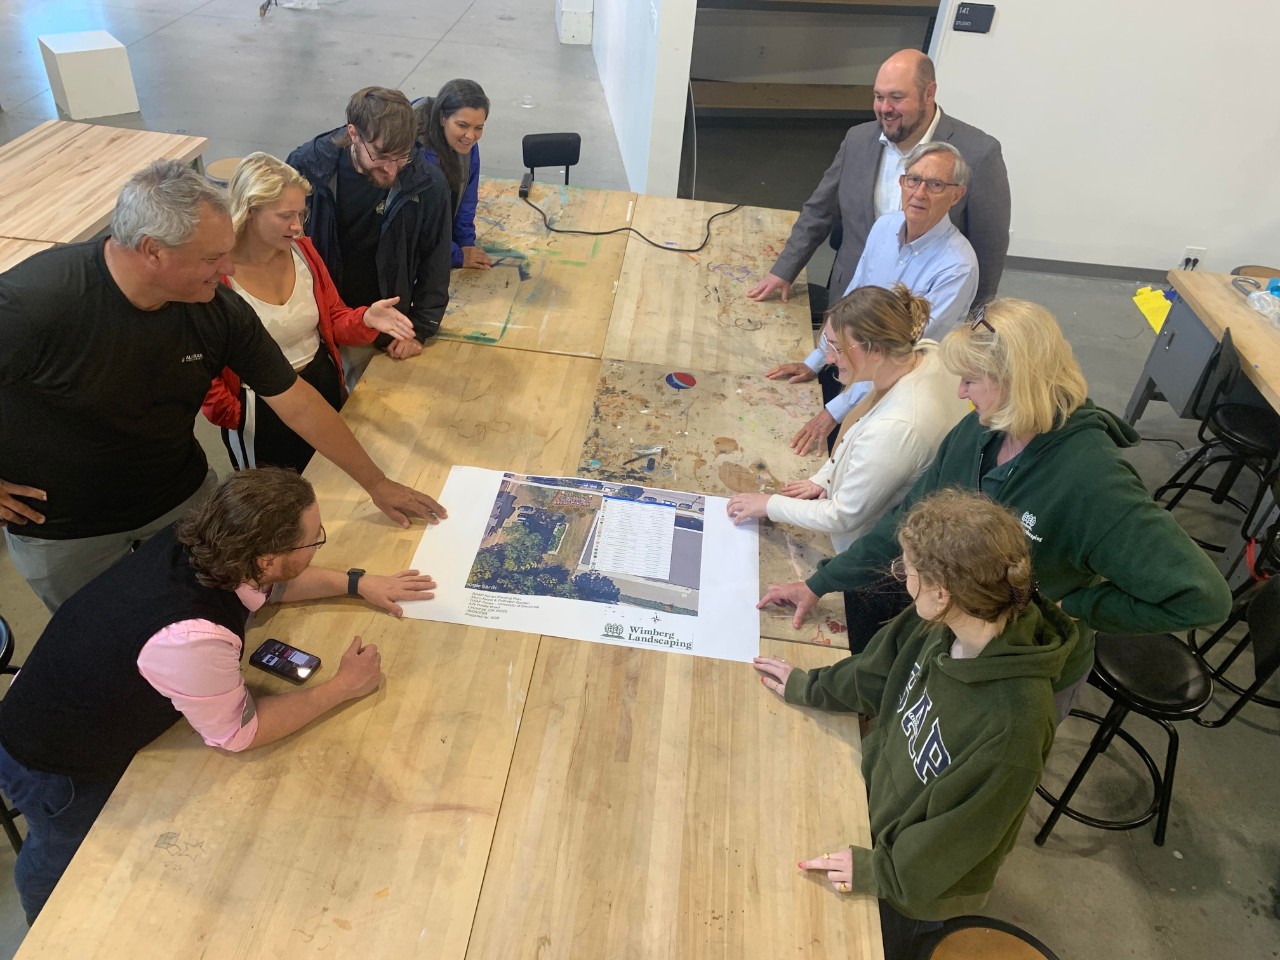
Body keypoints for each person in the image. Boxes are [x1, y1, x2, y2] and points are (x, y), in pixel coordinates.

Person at [0, 160, 445, 614]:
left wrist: (376, 483)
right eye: (212, 258)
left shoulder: (216, 308)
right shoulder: (36, 302)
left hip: (179, 499)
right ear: (153, 251)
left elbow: (297, 402)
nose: (228, 267)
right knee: (101, 637)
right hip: (67, 531)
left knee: (208, 610)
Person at [0, 467, 437, 924]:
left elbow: (271, 587)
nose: (317, 544)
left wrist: (356, 582)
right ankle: (39, 930)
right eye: (314, 540)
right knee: (57, 859)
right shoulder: (192, 635)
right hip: (54, 766)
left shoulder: (200, 539)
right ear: (266, 558)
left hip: (58, 694)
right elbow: (238, 733)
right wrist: (342, 688)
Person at [758, 298, 1234, 715]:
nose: (961, 393)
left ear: (1016, 381)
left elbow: (1202, 596)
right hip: (954, 634)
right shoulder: (979, 432)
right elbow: (907, 523)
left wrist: (1077, 605)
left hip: (1018, 673)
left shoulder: (1095, 484)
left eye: (971, 380)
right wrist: (820, 583)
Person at [753, 489, 1077, 959]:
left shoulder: (1014, 727)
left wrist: (880, 873)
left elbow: (960, 836)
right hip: (883, 819)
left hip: (917, 885)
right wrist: (810, 687)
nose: (902, 580)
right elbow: (877, 669)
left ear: (942, 591)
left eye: (906, 571)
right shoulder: (948, 620)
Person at [202, 153, 417, 473]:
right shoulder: (214, 275)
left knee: (331, 479)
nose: (298, 226)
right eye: (286, 215)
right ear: (250, 211)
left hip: (320, 386)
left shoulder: (304, 251)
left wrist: (365, 319)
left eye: (301, 214)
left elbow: (333, 318)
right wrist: (238, 414)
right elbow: (200, 360)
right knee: (274, 504)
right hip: (260, 405)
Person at [746, 48, 1009, 309]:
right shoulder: (857, 140)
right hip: (848, 298)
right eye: (878, 96)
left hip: (921, 311)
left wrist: (977, 321)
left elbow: (989, 249)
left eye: (896, 97)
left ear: (929, 93)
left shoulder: (978, 154)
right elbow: (819, 211)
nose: (885, 108)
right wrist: (784, 270)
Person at [766, 142, 979, 455]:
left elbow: (897, 356)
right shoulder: (885, 227)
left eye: (935, 184)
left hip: (890, 392)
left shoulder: (957, 266)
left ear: (956, 194)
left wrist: (833, 413)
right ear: (901, 182)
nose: (920, 193)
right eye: (913, 180)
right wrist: (817, 361)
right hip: (848, 365)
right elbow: (851, 302)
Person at [726, 284, 967, 553]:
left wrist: (769, 504)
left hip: (864, 551)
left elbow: (843, 516)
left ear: (875, 349)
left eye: (838, 348)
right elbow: (862, 421)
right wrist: (826, 476)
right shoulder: (924, 352)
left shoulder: (898, 427)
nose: (829, 359)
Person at [288, 86, 452, 383]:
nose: (391, 170)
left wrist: (419, 329)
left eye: (402, 157)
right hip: (317, 322)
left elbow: (435, 261)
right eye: (381, 156)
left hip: (383, 329)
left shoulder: (427, 184)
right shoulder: (307, 167)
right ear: (353, 133)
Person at [414, 79, 492, 271]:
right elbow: (418, 225)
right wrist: (456, 255)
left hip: (440, 242)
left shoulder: (467, 146)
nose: (471, 136)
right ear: (442, 118)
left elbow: (467, 199)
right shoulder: (416, 152)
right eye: (462, 125)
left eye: (478, 128)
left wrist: (466, 243)